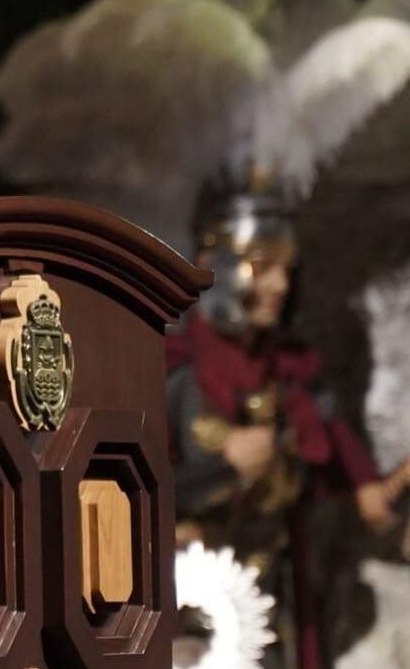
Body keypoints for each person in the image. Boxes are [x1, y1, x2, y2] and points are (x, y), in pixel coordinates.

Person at [166, 175, 406, 669]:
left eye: (286, 270)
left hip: (275, 605)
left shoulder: (293, 377)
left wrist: (389, 490)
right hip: (188, 615)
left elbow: (363, 495)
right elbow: (117, 499)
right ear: (219, 268)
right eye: (263, 267)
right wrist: (223, 469)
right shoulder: (168, 372)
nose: (281, 284)